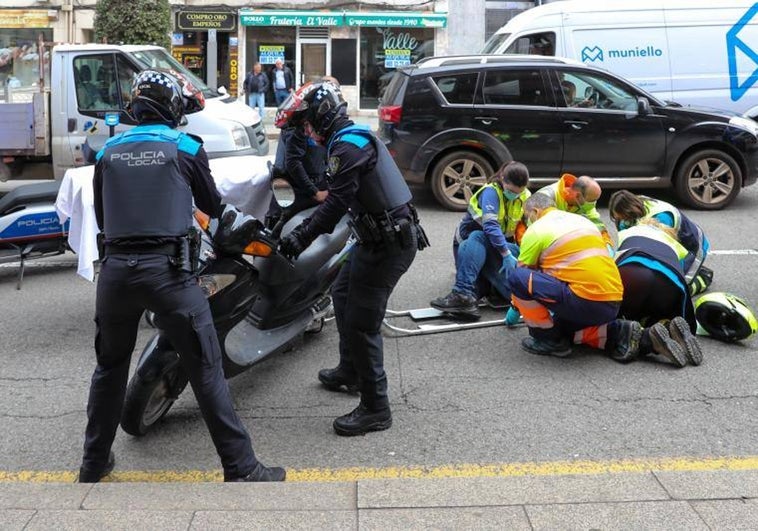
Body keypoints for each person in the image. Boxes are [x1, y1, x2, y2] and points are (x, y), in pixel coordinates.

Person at [78, 70, 285, 483]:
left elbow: (104, 217)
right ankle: (240, 466)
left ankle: (93, 463)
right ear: (173, 109)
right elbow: (213, 207)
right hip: (169, 274)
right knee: (205, 368)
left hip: (116, 274)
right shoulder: (187, 146)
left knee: (109, 369)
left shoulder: (106, 151)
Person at [278, 81, 428, 436]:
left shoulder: (348, 146)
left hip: (389, 245)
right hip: (375, 239)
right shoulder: (349, 139)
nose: (307, 131)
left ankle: (376, 407)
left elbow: (333, 206)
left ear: (323, 118)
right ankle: (351, 371)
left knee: (362, 323)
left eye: (308, 123)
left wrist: (299, 238)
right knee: (342, 295)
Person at [505, 193, 691, 367]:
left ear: (536, 212)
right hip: (614, 302)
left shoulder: (537, 229)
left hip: (585, 301)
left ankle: (545, 339)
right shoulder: (581, 221)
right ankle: (644, 338)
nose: (528, 221)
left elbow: (523, 277)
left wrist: (515, 309)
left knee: (516, 277)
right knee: (564, 330)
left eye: (527, 216)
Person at [430, 161, 530, 320]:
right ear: (502, 179)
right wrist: (505, 254)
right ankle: (468, 294)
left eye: (520, 191)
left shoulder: (526, 197)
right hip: (475, 247)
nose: (516, 195)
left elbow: (529, 232)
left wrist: (519, 258)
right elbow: (490, 226)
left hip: (500, 252)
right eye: (511, 191)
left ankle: (463, 293)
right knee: (478, 286)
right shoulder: (491, 193)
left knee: (479, 237)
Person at [615, 219, 703, 365]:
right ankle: (668, 326)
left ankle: (647, 336)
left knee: (617, 317)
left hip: (635, 272)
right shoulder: (674, 244)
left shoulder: (627, 233)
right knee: (658, 309)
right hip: (669, 282)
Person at [609, 190, 712, 295]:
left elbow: (661, 253)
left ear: (630, 211)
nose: (621, 221)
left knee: (676, 290)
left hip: (691, 247)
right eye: (618, 218)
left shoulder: (662, 218)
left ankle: (704, 276)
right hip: (670, 242)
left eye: (622, 218)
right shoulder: (630, 213)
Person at [268, 84, 329, 231]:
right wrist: (315, 192)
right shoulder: (300, 126)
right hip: (296, 190)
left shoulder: (301, 122)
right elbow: (293, 163)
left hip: (292, 186)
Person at [534, 173, 613, 247]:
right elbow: (533, 230)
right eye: (591, 201)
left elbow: (596, 222)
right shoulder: (546, 197)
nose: (593, 204)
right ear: (577, 195)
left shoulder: (584, 203)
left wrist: (606, 242)